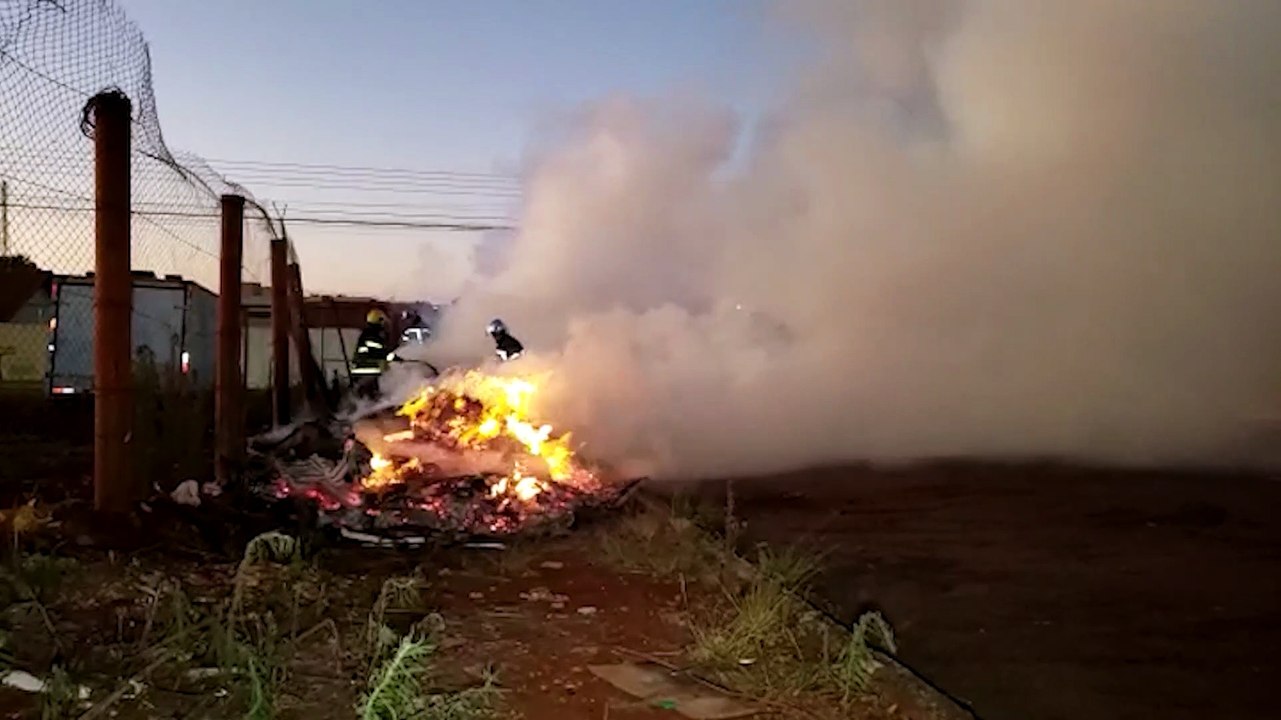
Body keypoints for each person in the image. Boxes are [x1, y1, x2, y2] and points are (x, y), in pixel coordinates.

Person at [351, 308, 392, 398]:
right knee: (372, 398)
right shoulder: (374, 335)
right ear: (379, 321)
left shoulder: (367, 334)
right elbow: (379, 354)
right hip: (368, 372)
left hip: (362, 372)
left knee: (367, 398)